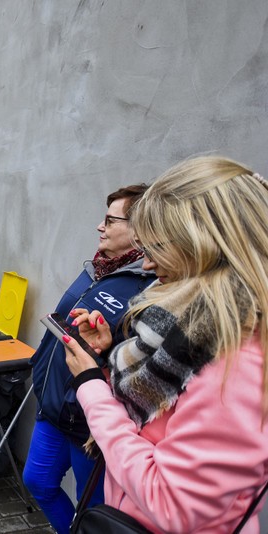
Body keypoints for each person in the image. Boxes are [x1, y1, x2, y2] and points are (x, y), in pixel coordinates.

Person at [63, 156, 268, 533]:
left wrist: (91, 387)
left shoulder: (237, 358)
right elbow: (163, 411)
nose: (146, 266)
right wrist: (109, 354)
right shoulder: (195, 326)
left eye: (156, 249)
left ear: (203, 246)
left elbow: (172, 504)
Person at [21, 184, 155, 534]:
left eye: (111, 220)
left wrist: (108, 351)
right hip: (52, 407)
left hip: (92, 423)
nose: (100, 226)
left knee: (92, 509)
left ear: (140, 230)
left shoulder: (151, 287)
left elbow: (145, 365)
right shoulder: (98, 268)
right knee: (38, 482)